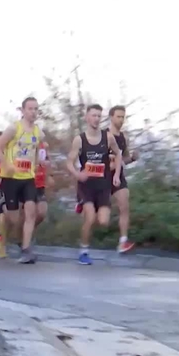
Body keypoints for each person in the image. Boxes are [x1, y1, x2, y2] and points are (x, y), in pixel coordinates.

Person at [66, 104, 124, 265]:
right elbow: (69, 162)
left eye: (99, 116)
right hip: (86, 186)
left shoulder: (108, 137)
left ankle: (85, 209)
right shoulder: (80, 139)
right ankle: (83, 251)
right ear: (87, 117)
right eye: (93, 115)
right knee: (90, 218)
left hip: (103, 185)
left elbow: (118, 154)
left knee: (104, 221)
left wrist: (117, 175)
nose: (96, 119)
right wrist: (78, 174)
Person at [0, 97, 44, 264]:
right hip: (11, 178)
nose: (33, 112)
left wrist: (35, 165)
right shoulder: (14, 128)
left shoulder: (38, 132)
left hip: (28, 178)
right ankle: (1, 218)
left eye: (36, 109)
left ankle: (26, 249)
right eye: (30, 109)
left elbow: (36, 150)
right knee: (14, 218)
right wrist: (6, 164)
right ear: (22, 110)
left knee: (31, 212)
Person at [108, 105, 138, 254]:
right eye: (118, 116)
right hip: (102, 176)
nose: (121, 120)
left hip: (118, 176)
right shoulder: (103, 135)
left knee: (124, 206)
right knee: (96, 214)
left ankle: (123, 242)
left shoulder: (124, 137)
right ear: (111, 117)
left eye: (123, 117)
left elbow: (123, 160)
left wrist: (131, 158)